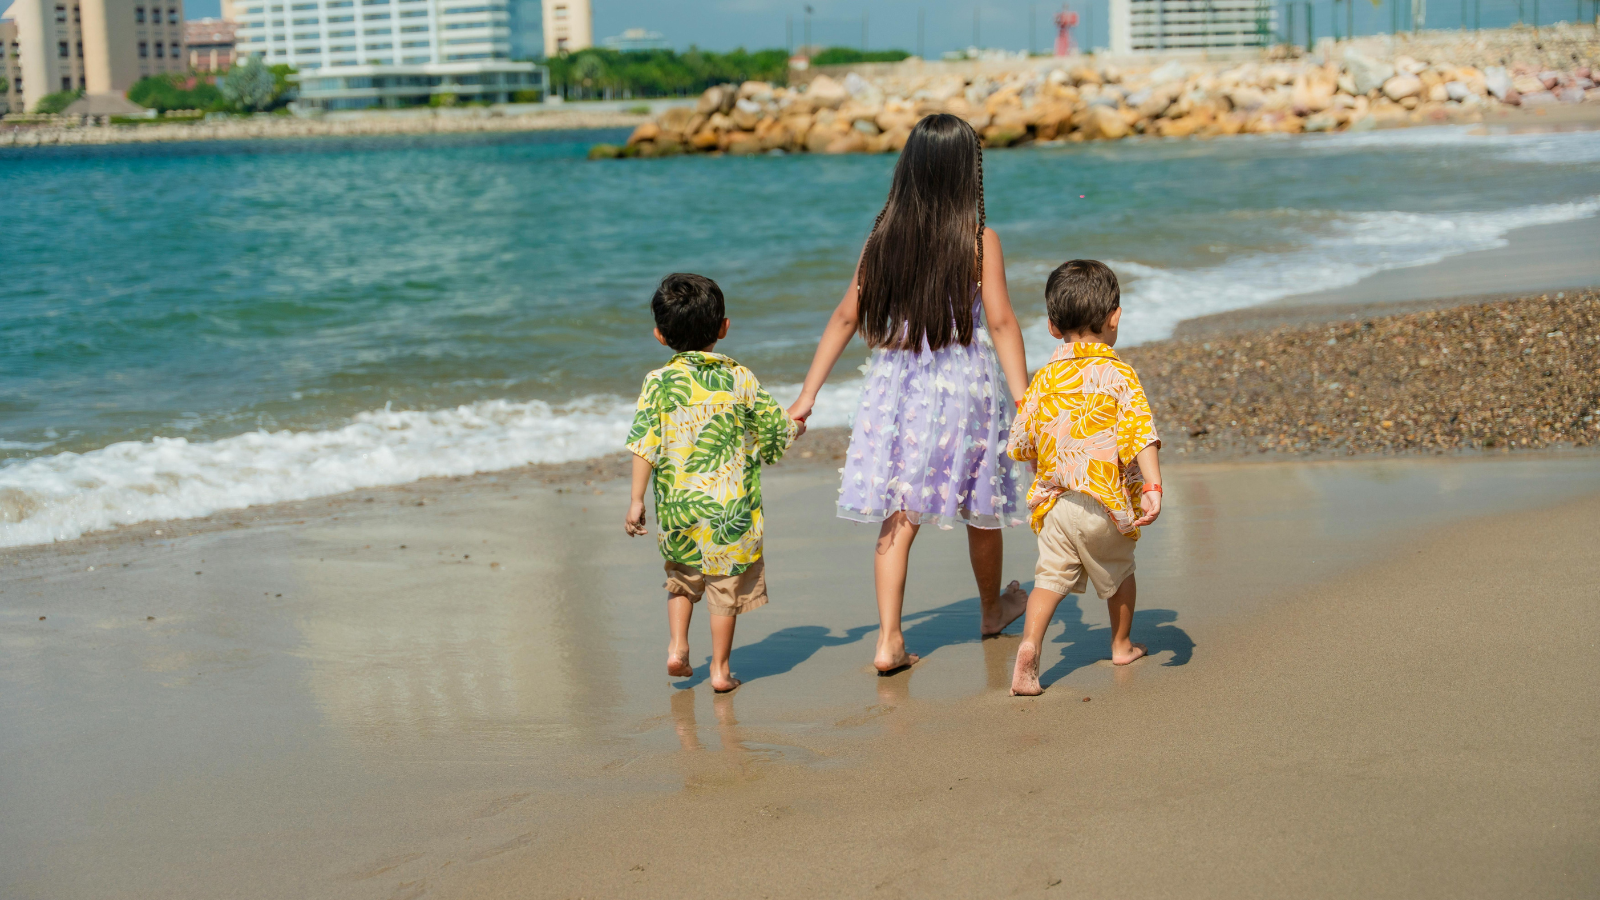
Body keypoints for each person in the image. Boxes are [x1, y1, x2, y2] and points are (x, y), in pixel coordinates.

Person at [786, 114, 1032, 674]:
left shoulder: (883, 239)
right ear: (968, 171)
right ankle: (991, 611)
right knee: (981, 505)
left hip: (896, 390)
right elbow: (1001, 323)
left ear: (909, 169)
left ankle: (889, 639)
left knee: (900, 513)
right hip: (965, 388)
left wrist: (807, 395)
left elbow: (847, 317)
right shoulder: (978, 239)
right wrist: (1027, 402)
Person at [624, 273, 803, 693]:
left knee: (682, 578)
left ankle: (678, 647)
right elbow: (775, 431)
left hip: (680, 508)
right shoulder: (739, 377)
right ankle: (721, 671)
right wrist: (797, 422)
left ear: (659, 336)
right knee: (725, 590)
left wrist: (635, 499)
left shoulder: (658, 383)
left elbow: (643, 442)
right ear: (724, 327)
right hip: (731, 512)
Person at [1007, 260, 1163, 697]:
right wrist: (1152, 486)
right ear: (1115, 316)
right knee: (1119, 572)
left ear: (1053, 327)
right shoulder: (1118, 373)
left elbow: (1022, 441)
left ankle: (1029, 647)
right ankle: (1120, 644)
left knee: (1049, 580)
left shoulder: (1044, 378)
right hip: (1103, 502)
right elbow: (1140, 433)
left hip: (1056, 505)